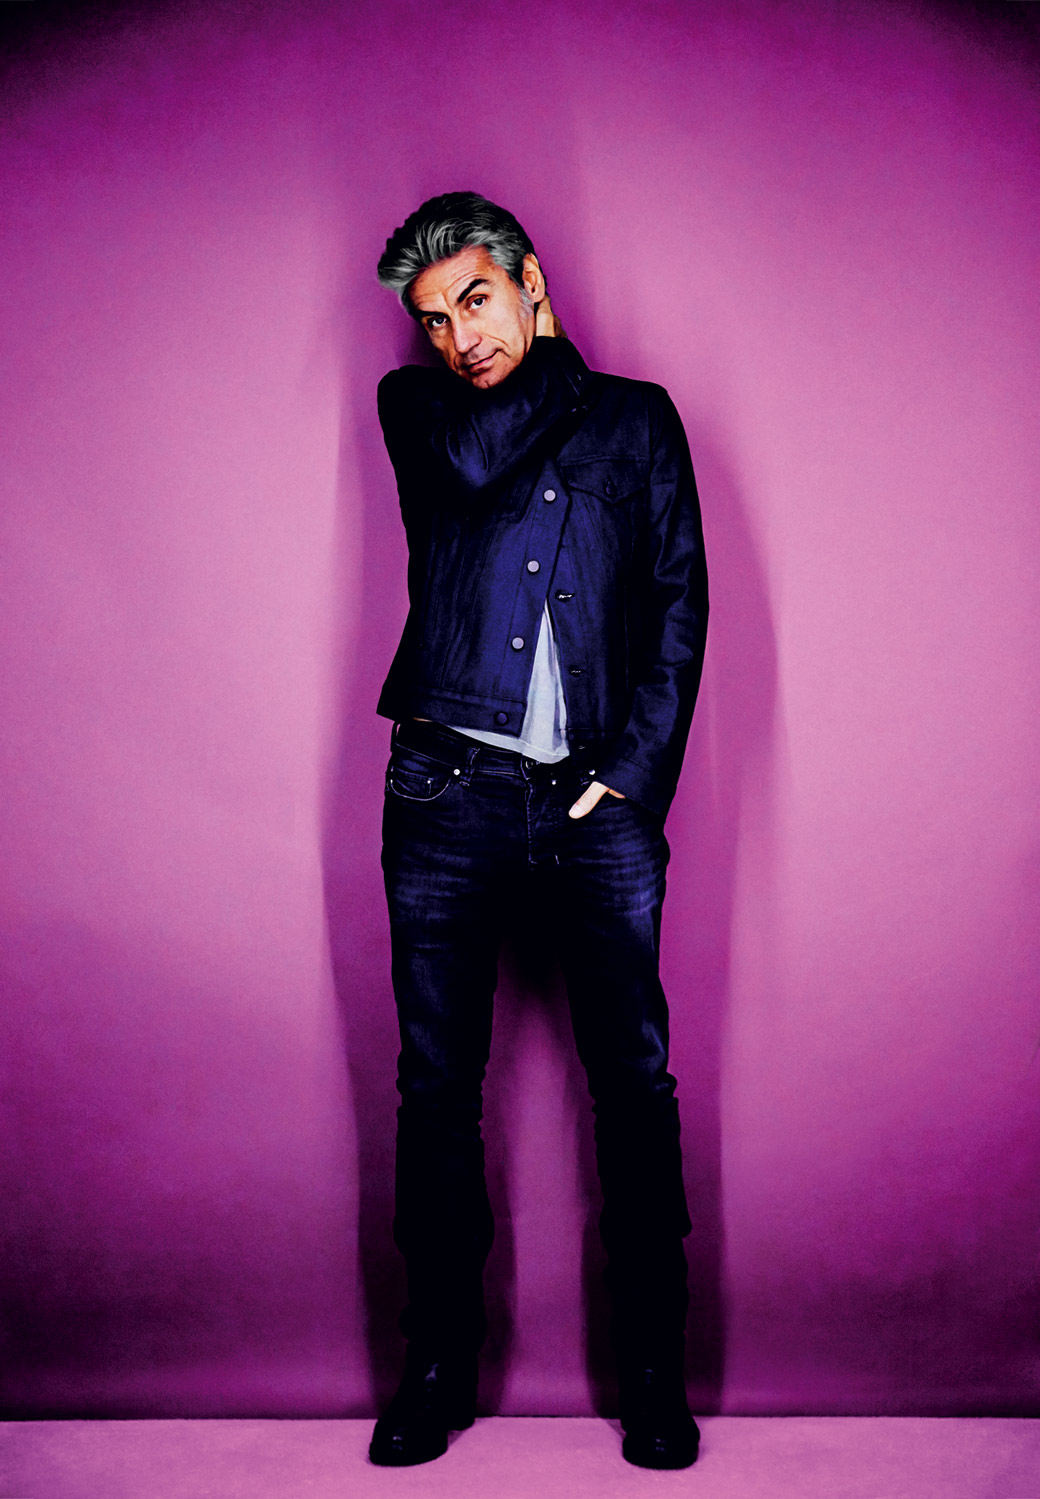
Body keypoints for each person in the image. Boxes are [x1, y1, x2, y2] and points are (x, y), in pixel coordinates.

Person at [368, 191, 708, 1469]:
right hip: (443, 796)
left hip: (592, 804)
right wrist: (547, 360)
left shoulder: (640, 420)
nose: (459, 336)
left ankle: (653, 1373)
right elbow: (479, 460)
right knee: (434, 1088)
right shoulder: (418, 413)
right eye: (434, 317)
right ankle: (436, 1367)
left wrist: (631, 779)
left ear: (530, 282)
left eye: (476, 299)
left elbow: (678, 604)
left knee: (633, 1085)